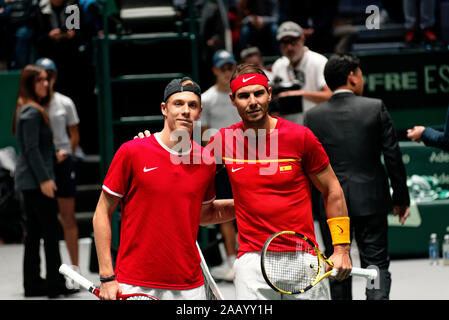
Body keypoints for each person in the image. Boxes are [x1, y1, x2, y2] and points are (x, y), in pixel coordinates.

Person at [207, 63, 352, 300]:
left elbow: (332, 189)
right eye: (244, 96)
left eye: (258, 93)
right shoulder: (222, 141)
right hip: (251, 262)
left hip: (302, 255)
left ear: (270, 93)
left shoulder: (300, 137)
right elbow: (185, 179)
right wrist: (148, 146)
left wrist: (341, 248)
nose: (252, 101)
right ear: (233, 100)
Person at [93, 77, 235, 300]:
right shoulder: (132, 152)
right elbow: (102, 212)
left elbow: (204, 214)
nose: (185, 110)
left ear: (199, 112)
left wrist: (247, 205)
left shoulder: (206, 161)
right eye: (178, 103)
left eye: (192, 105)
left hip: (189, 285)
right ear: (164, 109)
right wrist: (107, 277)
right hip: (135, 282)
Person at [304, 53, 410, 300]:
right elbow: (392, 156)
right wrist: (401, 198)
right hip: (370, 199)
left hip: (330, 205)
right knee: (376, 265)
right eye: (360, 74)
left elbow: (307, 168)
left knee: (337, 266)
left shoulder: (313, 116)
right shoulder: (375, 107)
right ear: (352, 77)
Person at [12, 64, 77, 298]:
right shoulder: (31, 111)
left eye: (46, 80)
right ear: (30, 84)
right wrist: (45, 179)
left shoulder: (28, 108)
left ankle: (33, 283)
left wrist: (53, 154)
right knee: (50, 231)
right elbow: (30, 149)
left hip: (31, 181)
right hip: (37, 182)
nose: (45, 84)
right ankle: (54, 284)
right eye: (40, 80)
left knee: (35, 234)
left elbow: (35, 148)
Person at [35, 57, 81, 277]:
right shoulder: (31, 105)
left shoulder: (65, 103)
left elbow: (74, 135)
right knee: (44, 220)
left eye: (49, 75)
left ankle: (75, 270)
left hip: (63, 165)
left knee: (67, 217)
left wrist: (65, 154)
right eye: (41, 76)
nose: (46, 80)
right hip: (42, 167)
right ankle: (50, 273)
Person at [201, 49, 239, 282]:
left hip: (246, 162)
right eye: (223, 68)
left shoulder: (241, 95)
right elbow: (206, 136)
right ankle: (231, 259)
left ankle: (247, 256)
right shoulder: (207, 99)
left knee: (246, 207)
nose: (227, 72)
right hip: (221, 165)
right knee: (225, 212)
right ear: (215, 70)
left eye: (230, 67)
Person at [270, 21, 332, 125]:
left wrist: (299, 94)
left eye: (293, 41)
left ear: (303, 38)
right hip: (289, 127)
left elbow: (330, 96)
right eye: (284, 43)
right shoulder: (278, 65)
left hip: (316, 125)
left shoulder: (318, 61)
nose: (289, 47)